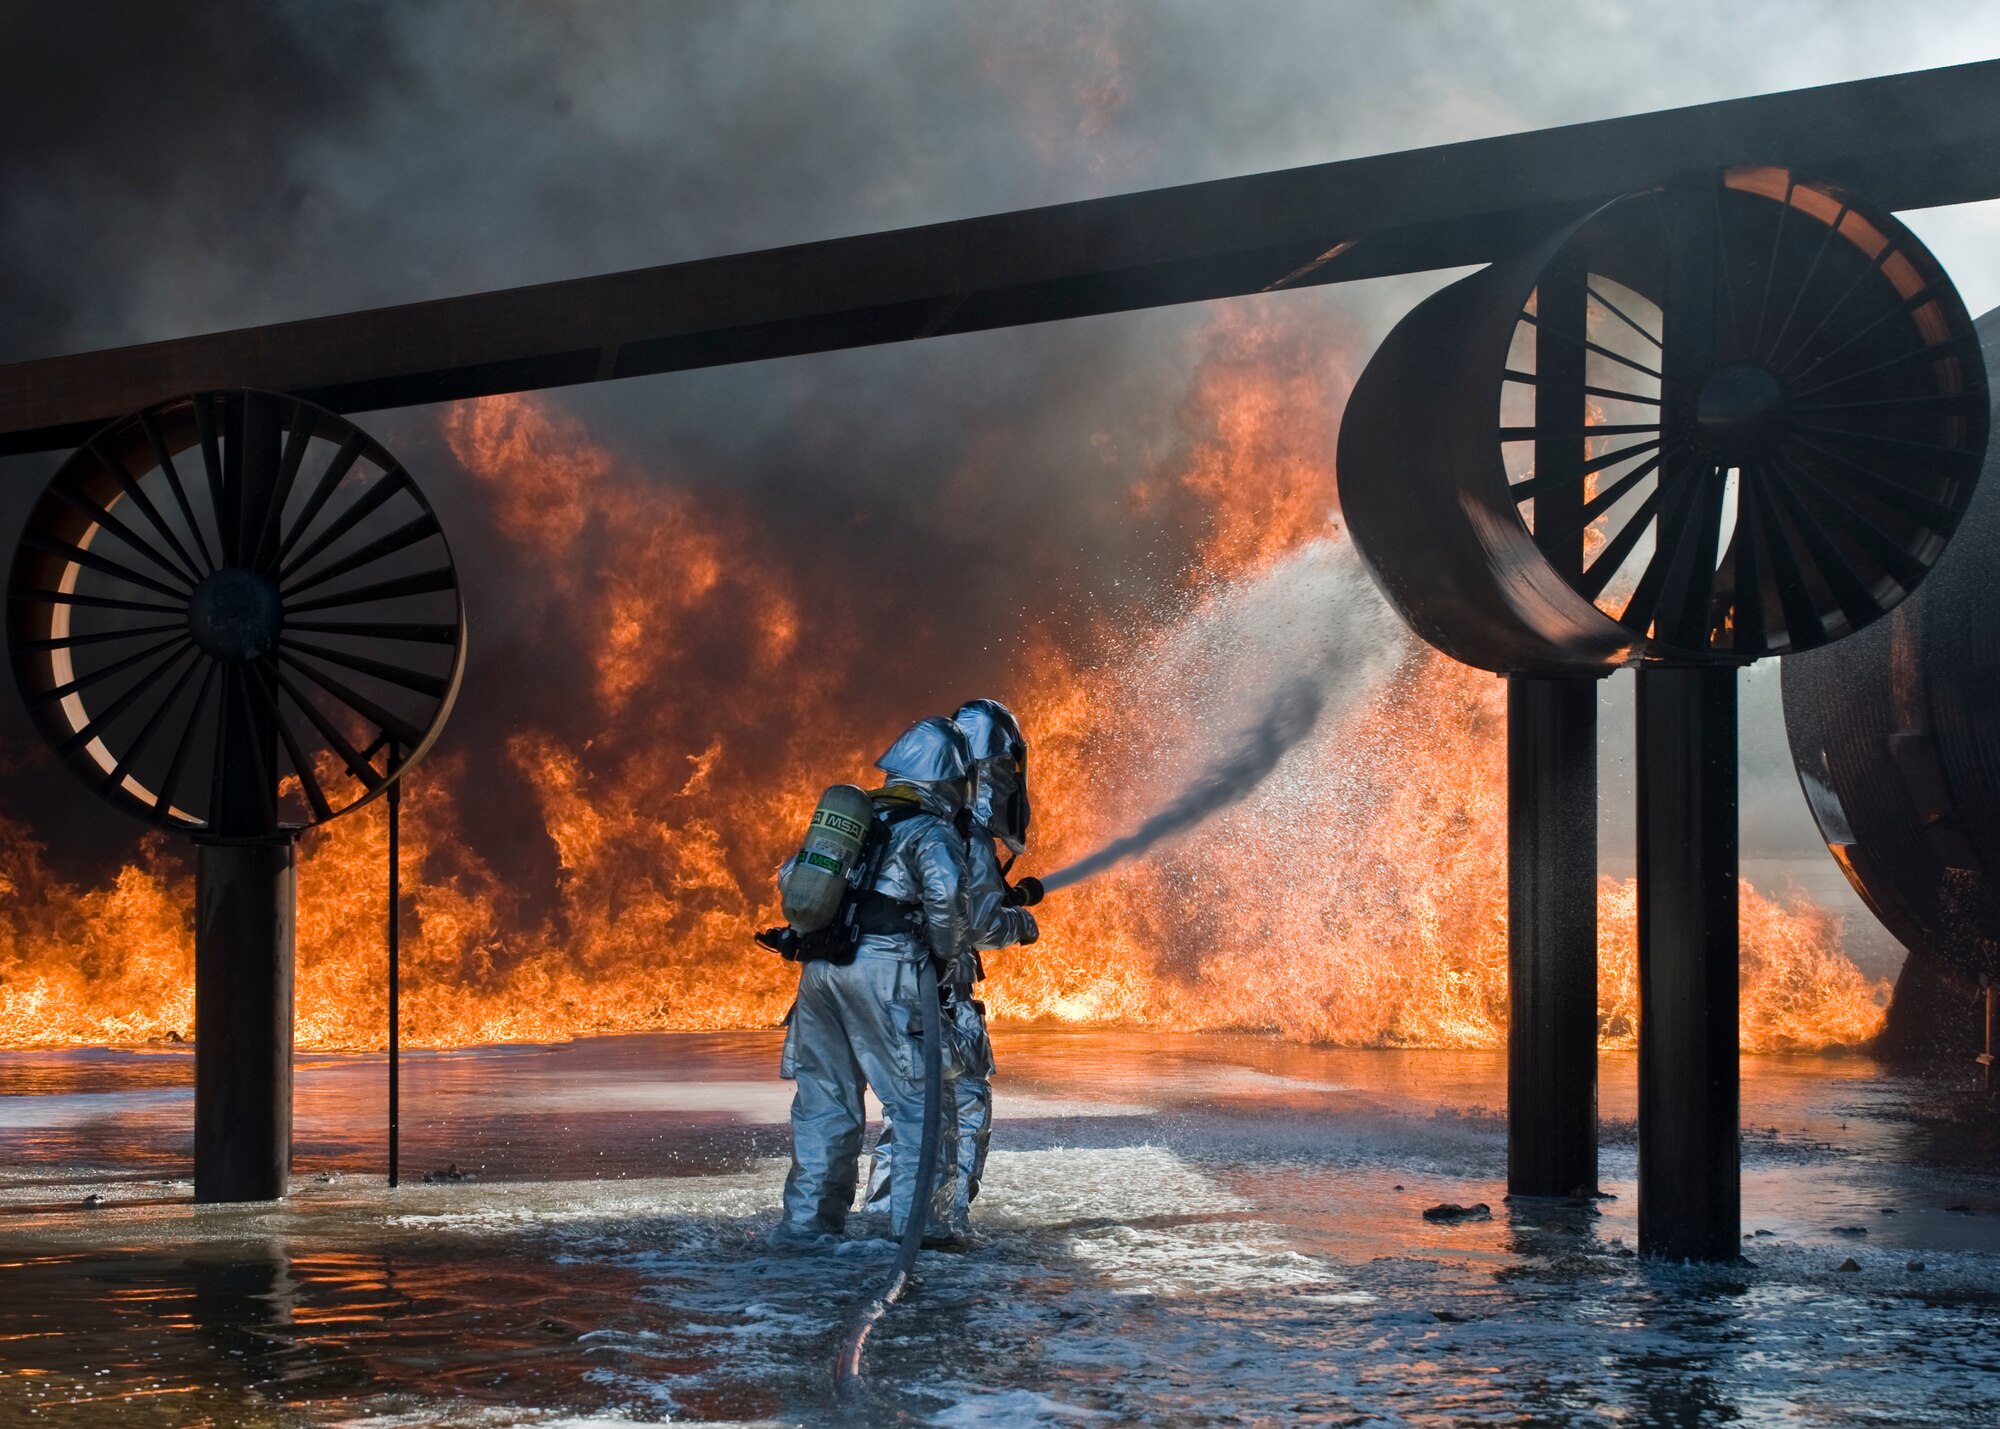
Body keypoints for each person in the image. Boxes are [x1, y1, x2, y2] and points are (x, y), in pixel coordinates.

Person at [777, 716, 973, 1244]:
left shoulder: (853, 821)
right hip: (886, 972)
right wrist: (945, 957)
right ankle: (921, 1233)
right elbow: (947, 900)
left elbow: (791, 877)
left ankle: (806, 1230)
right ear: (947, 779)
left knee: (824, 1107)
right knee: (920, 1107)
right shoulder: (930, 830)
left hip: (820, 971)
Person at [867, 698, 1039, 1234]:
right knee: (960, 1106)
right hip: (938, 992)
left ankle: (886, 1218)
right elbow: (979, 924)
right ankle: (936, 1223)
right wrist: (1021, 924)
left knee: (910, 1112)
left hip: (882, 983)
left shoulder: (898, 817)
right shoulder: (964, 830)